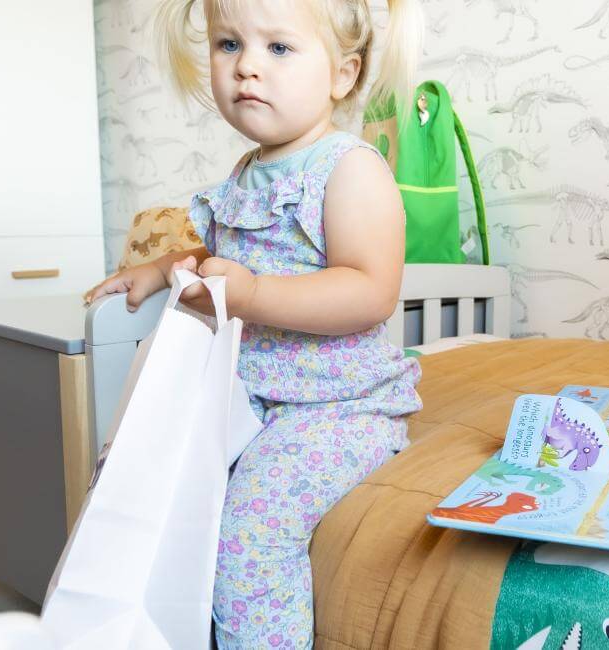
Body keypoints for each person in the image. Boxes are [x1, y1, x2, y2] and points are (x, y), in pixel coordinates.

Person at [83, 0, 422, 645]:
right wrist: (161, 270)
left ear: (342, 75)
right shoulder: (245, 173)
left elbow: (370, 290)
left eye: (280, 49)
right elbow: (216, 257)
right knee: (151, 492)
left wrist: (256, 293)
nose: (247, 70)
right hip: (247, 399)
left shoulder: (349, 168)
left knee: (250, 538)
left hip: (336, 409)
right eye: (229, 44)